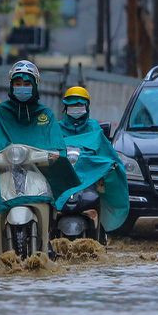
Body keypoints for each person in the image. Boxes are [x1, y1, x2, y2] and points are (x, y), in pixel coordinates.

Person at [0, 61, 80, 259]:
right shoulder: (0, 113)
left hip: (38, 172)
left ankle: (47, 239)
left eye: (26, 83)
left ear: (35, 85)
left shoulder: (45, 114)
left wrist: (54, 155)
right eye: (17, 83)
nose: (22, 87)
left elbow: (56, 143)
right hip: (5, 172)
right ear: (11, 85)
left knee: (52, 195)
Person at [56, 86, 130, 238]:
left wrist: (109, 166)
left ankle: (100, 231)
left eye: (79, 105)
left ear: (87, 107)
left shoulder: (94, 128)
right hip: (62, 181)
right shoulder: (56, 129)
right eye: (72, 105)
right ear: (65, 107)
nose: (76, 109)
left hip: (90, 180)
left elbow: (107, 153)